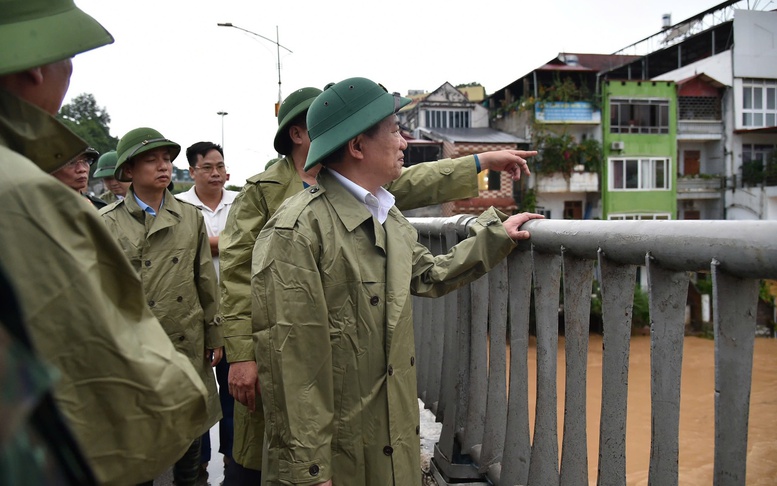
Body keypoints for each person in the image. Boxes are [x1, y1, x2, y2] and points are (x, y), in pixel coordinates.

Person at [219, 86, 537, 482]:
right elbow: (292, 368)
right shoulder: (297, 230)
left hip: (388, 432)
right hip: (339, 445)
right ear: (356, 146)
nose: (404, 141)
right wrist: (309, 472)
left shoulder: (385, 215)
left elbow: (427, 275)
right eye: (394, 130)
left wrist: (495, 236)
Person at [0, 1, 210, 484]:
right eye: (67, 58)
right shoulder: (28, 196)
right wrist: (186, 400)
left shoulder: (188, 218)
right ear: (35, 65)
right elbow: (102, 372)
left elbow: (204, 286)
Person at [99, 127, 223, 486]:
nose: (163, 166)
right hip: (135, 349)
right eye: (151, 160)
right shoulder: (107, 222)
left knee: (189, 444)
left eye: (167, 159)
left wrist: (215, 334)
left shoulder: (189, 217)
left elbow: (205, 280)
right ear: (129, 170)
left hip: (185, 340)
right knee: (139, 447)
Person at [176, 141, 238, 482]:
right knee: (198, 396)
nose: (216, 174)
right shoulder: (179, 207)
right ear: (193, 171)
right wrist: (226, 242)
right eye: (207, 168)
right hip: (195, 316)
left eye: (220, 167)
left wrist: (210, 243)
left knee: (235, 392)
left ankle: (232, 458)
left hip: (235, 312)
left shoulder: (240, 202)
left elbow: (254, 241)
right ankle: (195, 463)